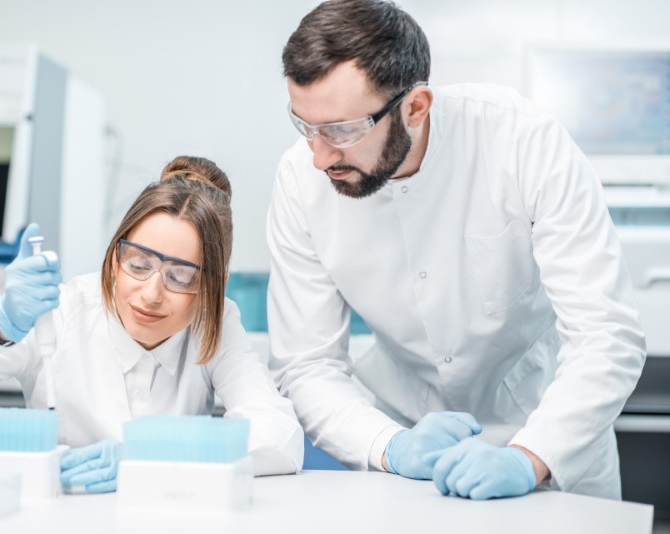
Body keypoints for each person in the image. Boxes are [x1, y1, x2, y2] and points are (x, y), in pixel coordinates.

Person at [267, 0, 645, 500]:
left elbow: (607, 335)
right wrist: (390, 445)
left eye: (340, 130)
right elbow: (306, 365)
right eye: (306, 126)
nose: (319, 157)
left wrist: (529, 456)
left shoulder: (522, 142)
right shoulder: (300, 182)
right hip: (405, 446)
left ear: (415, 107)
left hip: (551, 435)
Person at [0, 155, 304, 492]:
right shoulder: (60, 313)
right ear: (115, 255)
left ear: (214, 287)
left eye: (181, 277)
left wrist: (151, 459)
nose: (151, 293)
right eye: (138, 264)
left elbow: (280, 438)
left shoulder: (215, 322)